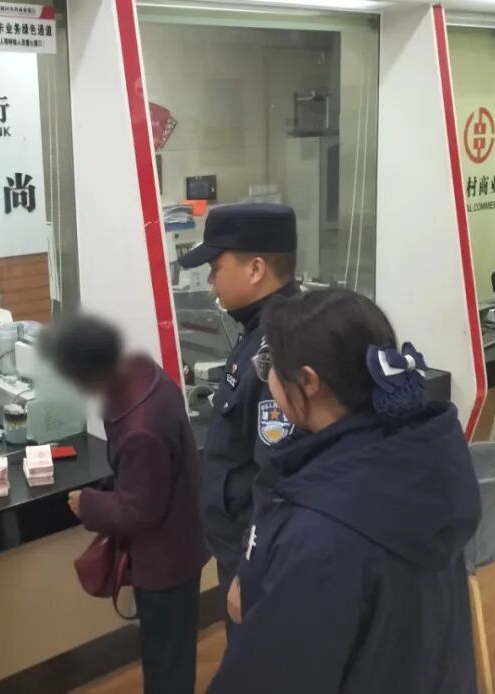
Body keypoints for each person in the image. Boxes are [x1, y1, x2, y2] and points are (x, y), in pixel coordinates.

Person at [210, 289, 481, 693]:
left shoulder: (321, 530)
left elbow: (271, 674)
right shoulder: (420, 462)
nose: (267, 378)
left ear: (309, 381)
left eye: (271, 366)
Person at [40, 315, 208, 694]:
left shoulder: (140, 428)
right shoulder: (142, 373)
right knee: (172, 651)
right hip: (182, 540)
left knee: (166, 662)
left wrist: (88, 503)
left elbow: (140, 510)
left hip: (165, 562)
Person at [177, 202, 298, 619]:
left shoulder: (280, 346)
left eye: (216, 268)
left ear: (256, 269)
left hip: (258, 563)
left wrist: (252, 567)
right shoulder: (256, 330)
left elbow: (279, 475)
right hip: (238, 549)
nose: (211, 281)